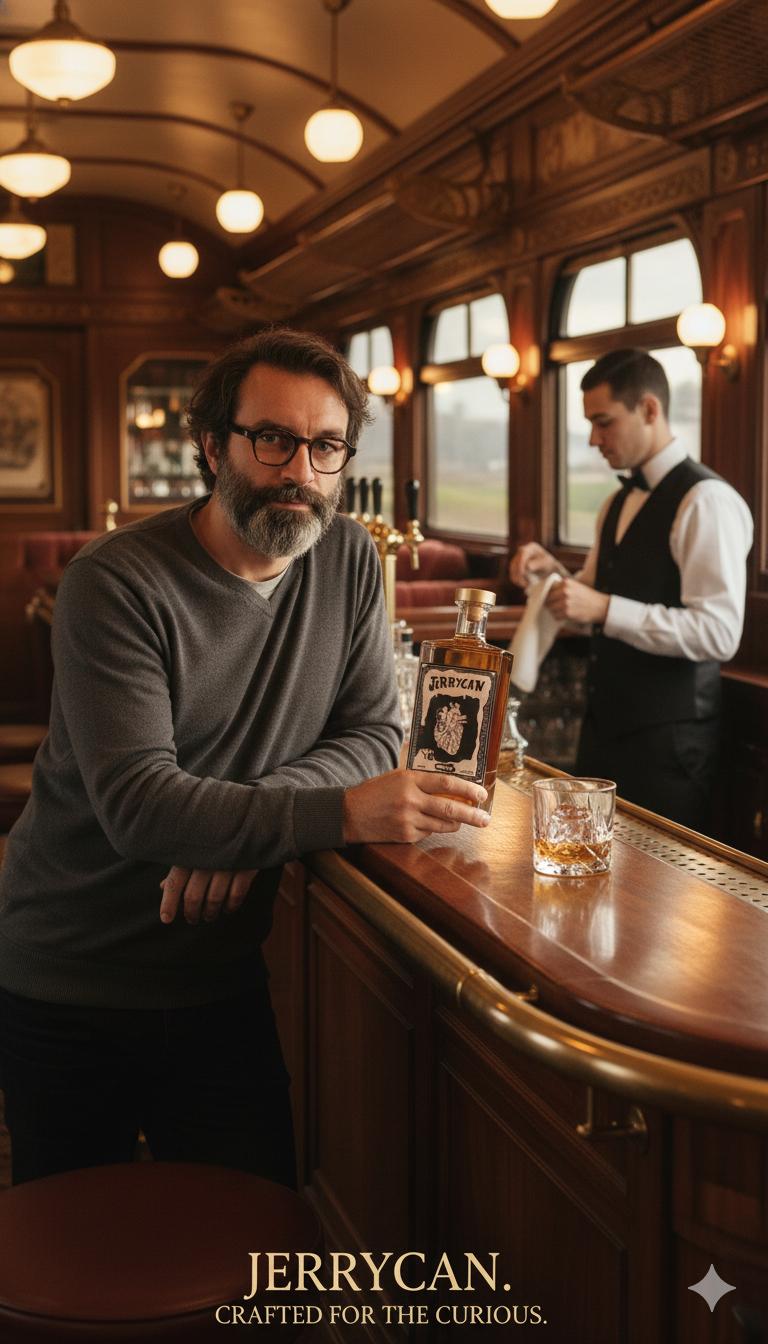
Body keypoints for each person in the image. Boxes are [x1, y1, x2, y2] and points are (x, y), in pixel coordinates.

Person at [0, 327, 491, 1188]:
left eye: (326, 446)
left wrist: (242, 826)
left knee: (256, 1222)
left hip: (220, 972)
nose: (300, 471)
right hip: (72, 974)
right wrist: (338, 811)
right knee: (73, 1234)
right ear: (211, 446)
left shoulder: (347, 556)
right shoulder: (113, 581)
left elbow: (373, 732)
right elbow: (141, 807)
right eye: (272, 439)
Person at [510, 347, 753, 830]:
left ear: (649, 409)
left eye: (604, 423)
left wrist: (604, 607)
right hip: (602, 730)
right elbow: (592, 603)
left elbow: (719, 633)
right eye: (590, 425)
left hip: (670, 746)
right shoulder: (615, 504)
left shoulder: (706, 501)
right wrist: (552, 577)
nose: (593, 439)